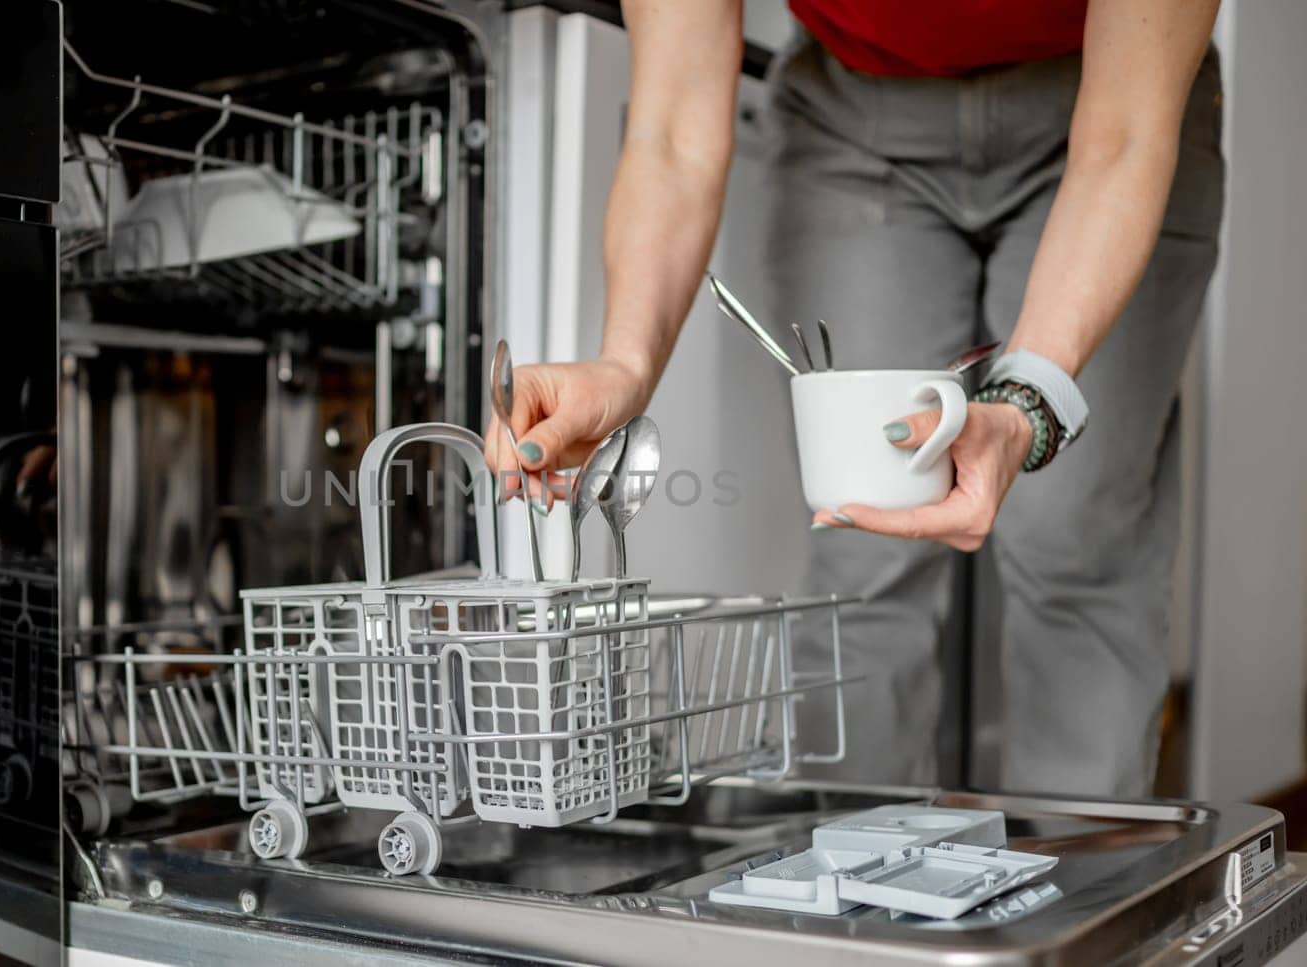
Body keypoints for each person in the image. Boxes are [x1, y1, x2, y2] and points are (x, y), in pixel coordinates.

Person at [484, 0, 1224, 797]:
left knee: (1077, 536)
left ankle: (1086, 889)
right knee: (864, 532)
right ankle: (855, 893)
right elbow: (671, 132)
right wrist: (625, 364)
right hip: (855, 119)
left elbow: (1123, 137)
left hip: (1106, 104)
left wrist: (1028, 407)